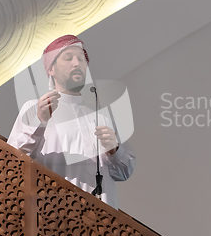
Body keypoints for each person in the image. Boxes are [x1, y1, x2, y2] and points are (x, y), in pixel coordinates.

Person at [7, 35, 136, 209]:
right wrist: (39, 121)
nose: (77, 63)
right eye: (68, 58)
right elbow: (11, 161)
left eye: (81, 59)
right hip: (56, 219)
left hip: (103, 224)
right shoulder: (34, 109)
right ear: (51, 69)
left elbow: (124, 172)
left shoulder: (101, 118)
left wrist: (115, 150)